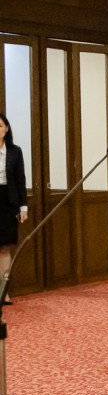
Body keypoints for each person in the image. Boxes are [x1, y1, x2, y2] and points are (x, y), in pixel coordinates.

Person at [0, 113, 29, 305]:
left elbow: (20, 179)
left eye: (0, 126)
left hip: (7, 201)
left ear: (7, 128)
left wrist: (23, 206)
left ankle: (4, 293)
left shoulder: (15, 151)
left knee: (4, 248)